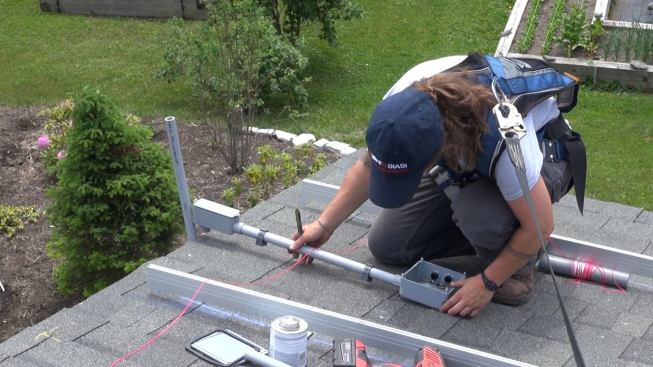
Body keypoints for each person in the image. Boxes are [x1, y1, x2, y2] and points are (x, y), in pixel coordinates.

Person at [290, 54, 582, 318]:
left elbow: (541, 226)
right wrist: (324, 225)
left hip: (547, 156)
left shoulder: (505, 139)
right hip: (467, 158)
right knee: (388, 245)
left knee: (482, 218)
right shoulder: (401, 106)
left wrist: (487, 282)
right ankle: (487, 226)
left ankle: (517, 271)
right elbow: (368, 166)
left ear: (436, 149)